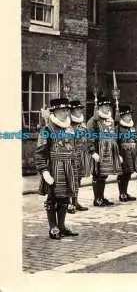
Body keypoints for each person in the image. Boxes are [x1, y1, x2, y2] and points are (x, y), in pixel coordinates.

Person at [35, 98, 79, 239]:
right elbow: (40, 152)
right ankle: (53, 227)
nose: (65, 113)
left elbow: (73, 147)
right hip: (54, 167)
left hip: (69, 167)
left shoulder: (70, 128)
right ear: (54, 112)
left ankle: (61, 226)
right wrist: (44, 171)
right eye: (61, 110)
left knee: (65, 198)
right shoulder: (47, 129)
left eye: (66, 110)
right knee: (52, 198)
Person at [87, 96, 123, 207]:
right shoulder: (93, 121)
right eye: (105, 106)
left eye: (109, 106)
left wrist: (117, 153)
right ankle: (97, 199)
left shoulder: (110, 120)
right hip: (99, 151)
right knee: (97, 174)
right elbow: (90, 137)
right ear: (100, 107)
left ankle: (101, 197)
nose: (108, 108)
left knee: (104, 175)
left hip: (109, 151)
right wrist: (93, 152)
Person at [67, 100, 90, 213]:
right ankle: (68, 203)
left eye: (80, 109)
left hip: (81, 154)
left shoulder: (82, 124)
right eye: (77, 109)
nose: (79, 111)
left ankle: (75, 201)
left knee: (78, 178)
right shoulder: (68, 124)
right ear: (71, 111)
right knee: (70, 179)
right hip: (71, 155)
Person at [116, 104, 137, 202]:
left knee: (129, 172)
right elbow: (115, 141)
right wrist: (117, 154)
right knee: (123, 173)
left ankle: (125, 192)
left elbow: (135, 138)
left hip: (132, 153)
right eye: (127, 115)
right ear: (122, 116)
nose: (130, 116)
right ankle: (121, 193)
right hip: (123, 153)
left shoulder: (132, 127)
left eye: (130, 115)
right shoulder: (118, 127)